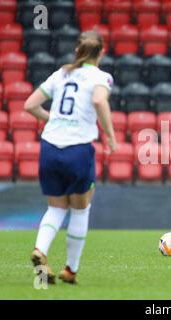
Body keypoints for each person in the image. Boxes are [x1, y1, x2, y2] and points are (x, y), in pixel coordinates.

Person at [24, 31, 116, 284]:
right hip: (77, 150)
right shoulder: (101, 77)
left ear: (77, 51)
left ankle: (40, 250)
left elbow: (30, 105)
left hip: (50, 148)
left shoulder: (60, 73)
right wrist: (110, 135)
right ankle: (70, 270)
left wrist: (53, 119)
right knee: (80, 209)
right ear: (102, 52)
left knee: (55, 208)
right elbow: (99, 100)